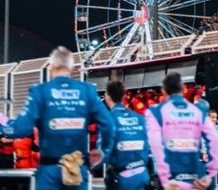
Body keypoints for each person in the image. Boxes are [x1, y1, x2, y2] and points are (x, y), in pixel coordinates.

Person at [0, 46, 112, 190]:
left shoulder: (39, 91)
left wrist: (2, 125)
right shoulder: (87, 90)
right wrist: (102, 152)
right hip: (77, 170)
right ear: (71, 67)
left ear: (51, 67)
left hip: (49, 172)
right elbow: (109, 124)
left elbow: (20, 129)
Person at [145, 73, 218, 190]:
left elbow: (155, 144)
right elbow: (215, 139)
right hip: (196, 178)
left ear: (164, 91)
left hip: (172, 178)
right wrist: (211, 173)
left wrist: (164, 178)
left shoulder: (155, 112)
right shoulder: (197, 111)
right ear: (183, 89)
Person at [101, 81, 150, 190]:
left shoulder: (107, 120)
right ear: (124, 96)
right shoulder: (140, 119)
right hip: (143, 176)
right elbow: (149, 146)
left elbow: (103, 152)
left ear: (107, 97)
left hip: (122, 179)